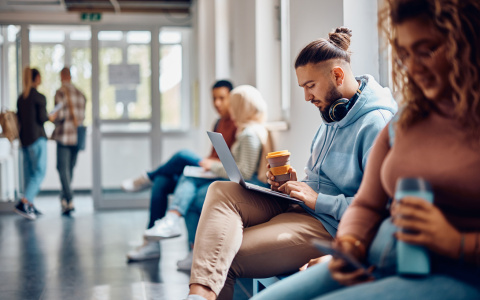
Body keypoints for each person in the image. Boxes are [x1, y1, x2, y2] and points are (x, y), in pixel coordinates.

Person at [251, 0, 480, 299]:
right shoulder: (407, 121)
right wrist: (350, 245)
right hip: (374, 259)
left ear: (468, 44)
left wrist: (457, 243)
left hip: (452, 271)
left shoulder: (379, 119)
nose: (413, 67)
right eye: (404, 54)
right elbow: (368, 205)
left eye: (427, 51)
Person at [186, 27, 398, 300]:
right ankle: (200, 295)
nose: (307, 97)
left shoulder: (376, 124)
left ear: (337, 75)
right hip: (302, 208)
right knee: (220, 190)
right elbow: (319, 177)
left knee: (219, 255)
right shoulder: (331, 116)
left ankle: (200, 295)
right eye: (303, 88)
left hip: (329, 225)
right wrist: (295, 184)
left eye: (310, 86)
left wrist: (317, 199)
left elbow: (378, 210)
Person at [125, 80, 237, 262]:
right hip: (209, 171)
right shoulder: (219, 122)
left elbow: (233, 164)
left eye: (222, 98)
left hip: (221, 174)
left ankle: (147, 177)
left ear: (232, 98)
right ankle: (152, 244)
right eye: (214, 99)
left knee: (183, 156)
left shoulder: (239, 123)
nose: (217, 103)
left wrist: (209, 163)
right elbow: (213, 155)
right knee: (162, 181)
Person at [50, 67, 86, 215]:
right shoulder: (81, 94)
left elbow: (59, 115)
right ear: (70, 76)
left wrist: (51, 117)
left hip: (64, 136)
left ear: (62, 76)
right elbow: (82, 116)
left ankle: (69, 199)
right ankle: (64, 198)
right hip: (77, 136)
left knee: (62, 168)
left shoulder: (61, 92)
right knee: (69, 169)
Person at [14, 67, 49, 220]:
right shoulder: (39, 97)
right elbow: (42, 119)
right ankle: (24, 202)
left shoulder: (21, 98)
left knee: (29, 174)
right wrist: (51, 117)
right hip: (37, 139)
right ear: (36, 79)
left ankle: (30, 206)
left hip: (24, 141)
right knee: (39, 172)